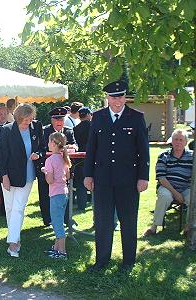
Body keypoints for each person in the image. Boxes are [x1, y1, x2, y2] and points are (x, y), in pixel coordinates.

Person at [84, 80, 149, 273]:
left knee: (128, 220)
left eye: (120, 96)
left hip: (128, 180)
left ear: (125, 97)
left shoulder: (136, 117)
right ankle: (102, 261)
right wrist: (88, 174)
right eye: (113, 97)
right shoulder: (98, 117)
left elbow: (143, 150)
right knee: (103, 221)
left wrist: (143, 177)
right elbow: (91, 148)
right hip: (102, 179)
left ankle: (128, 262)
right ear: (108, 98)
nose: (117, 100)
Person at [0, 103, 45, 257]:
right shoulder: (6, 130)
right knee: (10, 208)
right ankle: (15, 236)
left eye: (30, 119)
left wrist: (38, 154)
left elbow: (42, 148)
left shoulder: (36, 127)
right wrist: (4, 176)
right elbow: (2, 155)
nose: (28, 123)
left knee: (19, 208)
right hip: (9, 176)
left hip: (28, 175)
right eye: (25, 120)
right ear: (18, 118)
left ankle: (13, 243)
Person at [143, 129, 193, 236]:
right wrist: (176, 193)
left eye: (181, 140)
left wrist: (181, 193)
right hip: (167, 187)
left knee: (193, 199)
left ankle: (188, 228)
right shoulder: (163, 156)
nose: (178, 142)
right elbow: (162, 178)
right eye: (175, 139)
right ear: (172, 141)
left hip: (186, 188)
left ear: (185, 142)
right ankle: (154, 227)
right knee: (164, 196)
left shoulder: (192, 156)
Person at [38, 107, 77, 226]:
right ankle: (47, 219)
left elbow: (75, 144)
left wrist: (73, 147)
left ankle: (65, 219)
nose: (59, 122)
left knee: (64, 194)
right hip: (48, 167)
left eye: (61, 119)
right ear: (52, 120)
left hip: (63, 170)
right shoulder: (44, 131)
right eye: (56, 119)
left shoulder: (69, 131)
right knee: (45, 193)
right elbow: (40, 148)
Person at [42, 132, 71, 259]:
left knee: (57, 223)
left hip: (55, 195)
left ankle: (62, 251)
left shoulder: (49, 160)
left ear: (54, 144)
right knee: (58, 220)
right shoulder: (64, 158)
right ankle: (56, 247)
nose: (47, 144)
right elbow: (68, 176)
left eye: (49, 142)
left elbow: (49, 180)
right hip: (64, 193)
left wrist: (45, 171)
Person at [73, 107, 92, 211]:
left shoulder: (76, 128)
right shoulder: (93, 126)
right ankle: (94, 202)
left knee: (81, 182)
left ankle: (81, 204)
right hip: (92, 157)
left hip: (80, 157)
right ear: (88, 115)